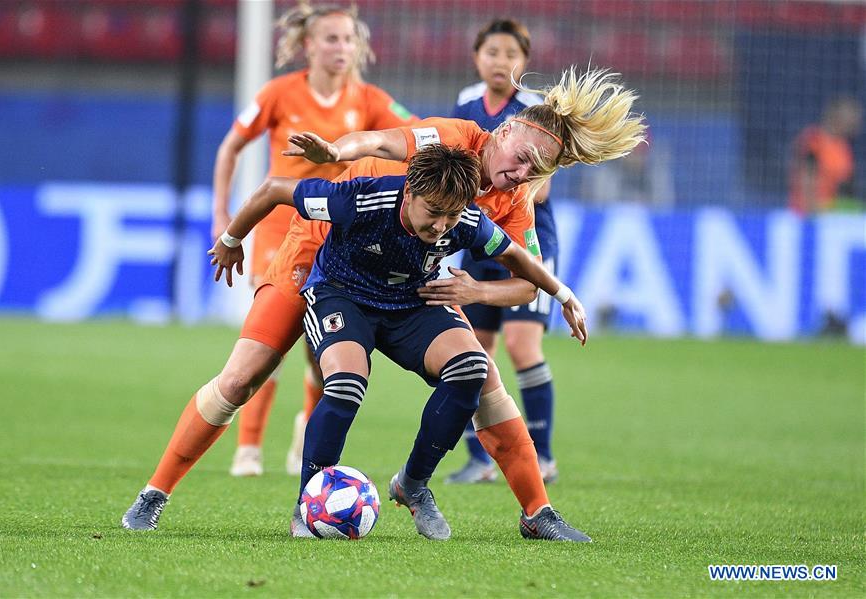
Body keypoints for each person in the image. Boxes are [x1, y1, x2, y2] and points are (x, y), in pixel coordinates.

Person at [120, 67, 644, 541]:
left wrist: (478, 291)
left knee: (481, 380)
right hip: (327, 249)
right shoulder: (453, 138)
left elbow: (526, 280)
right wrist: (335, 153)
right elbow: (381, 140)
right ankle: (155, 492)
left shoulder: (513, 200)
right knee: (242, 377)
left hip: (407, 282)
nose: (524, 174)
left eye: (538, 171)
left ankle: (533, 511)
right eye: (523, 159)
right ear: (504, 132)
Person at [208, 144, 590, 541]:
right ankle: (309, 505)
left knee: (472, 367)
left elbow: (518, 259)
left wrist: (564, 296)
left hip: (411, 303)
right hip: (342, 295)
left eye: (452, 216)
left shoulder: (468, 220)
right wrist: (232, 238)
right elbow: (273, 189)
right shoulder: (360, 199)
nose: (442, 225)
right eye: (433, 212)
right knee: (345, 382)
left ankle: (413, 483)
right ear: (409, 193)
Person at [211, 1, 415, 477]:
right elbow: (231, 146)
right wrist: (222, 213)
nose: (341, 47)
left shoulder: (367, 98)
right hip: (279, 225)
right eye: (331, 38)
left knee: (316, 343)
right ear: (309, 45)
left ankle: (306, 430)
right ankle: (249, 448)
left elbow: (414, 135)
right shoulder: (279, 93)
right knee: (269, 337)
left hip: (335, 231)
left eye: (348, 39)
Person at [442, 18, 563, 485]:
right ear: (477, 56)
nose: (501, 61)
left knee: (520, 343)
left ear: (524, 62)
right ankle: (480, 459)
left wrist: (503, 199)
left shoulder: (535, 108)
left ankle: (544, 453)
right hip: (476, 235)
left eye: (511, 54)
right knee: (477, 348)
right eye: (492, 52)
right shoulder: (466, 102)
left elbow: (541, 190)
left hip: (526, 237)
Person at [788, 96, 862, 215]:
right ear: (836, 117)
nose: (856, 123)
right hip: (807, 212)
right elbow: (807, 174)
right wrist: (811, 209)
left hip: (831, 212)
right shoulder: (814, 139)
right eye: (852, 118)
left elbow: (846, 186)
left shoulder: (845, 148)